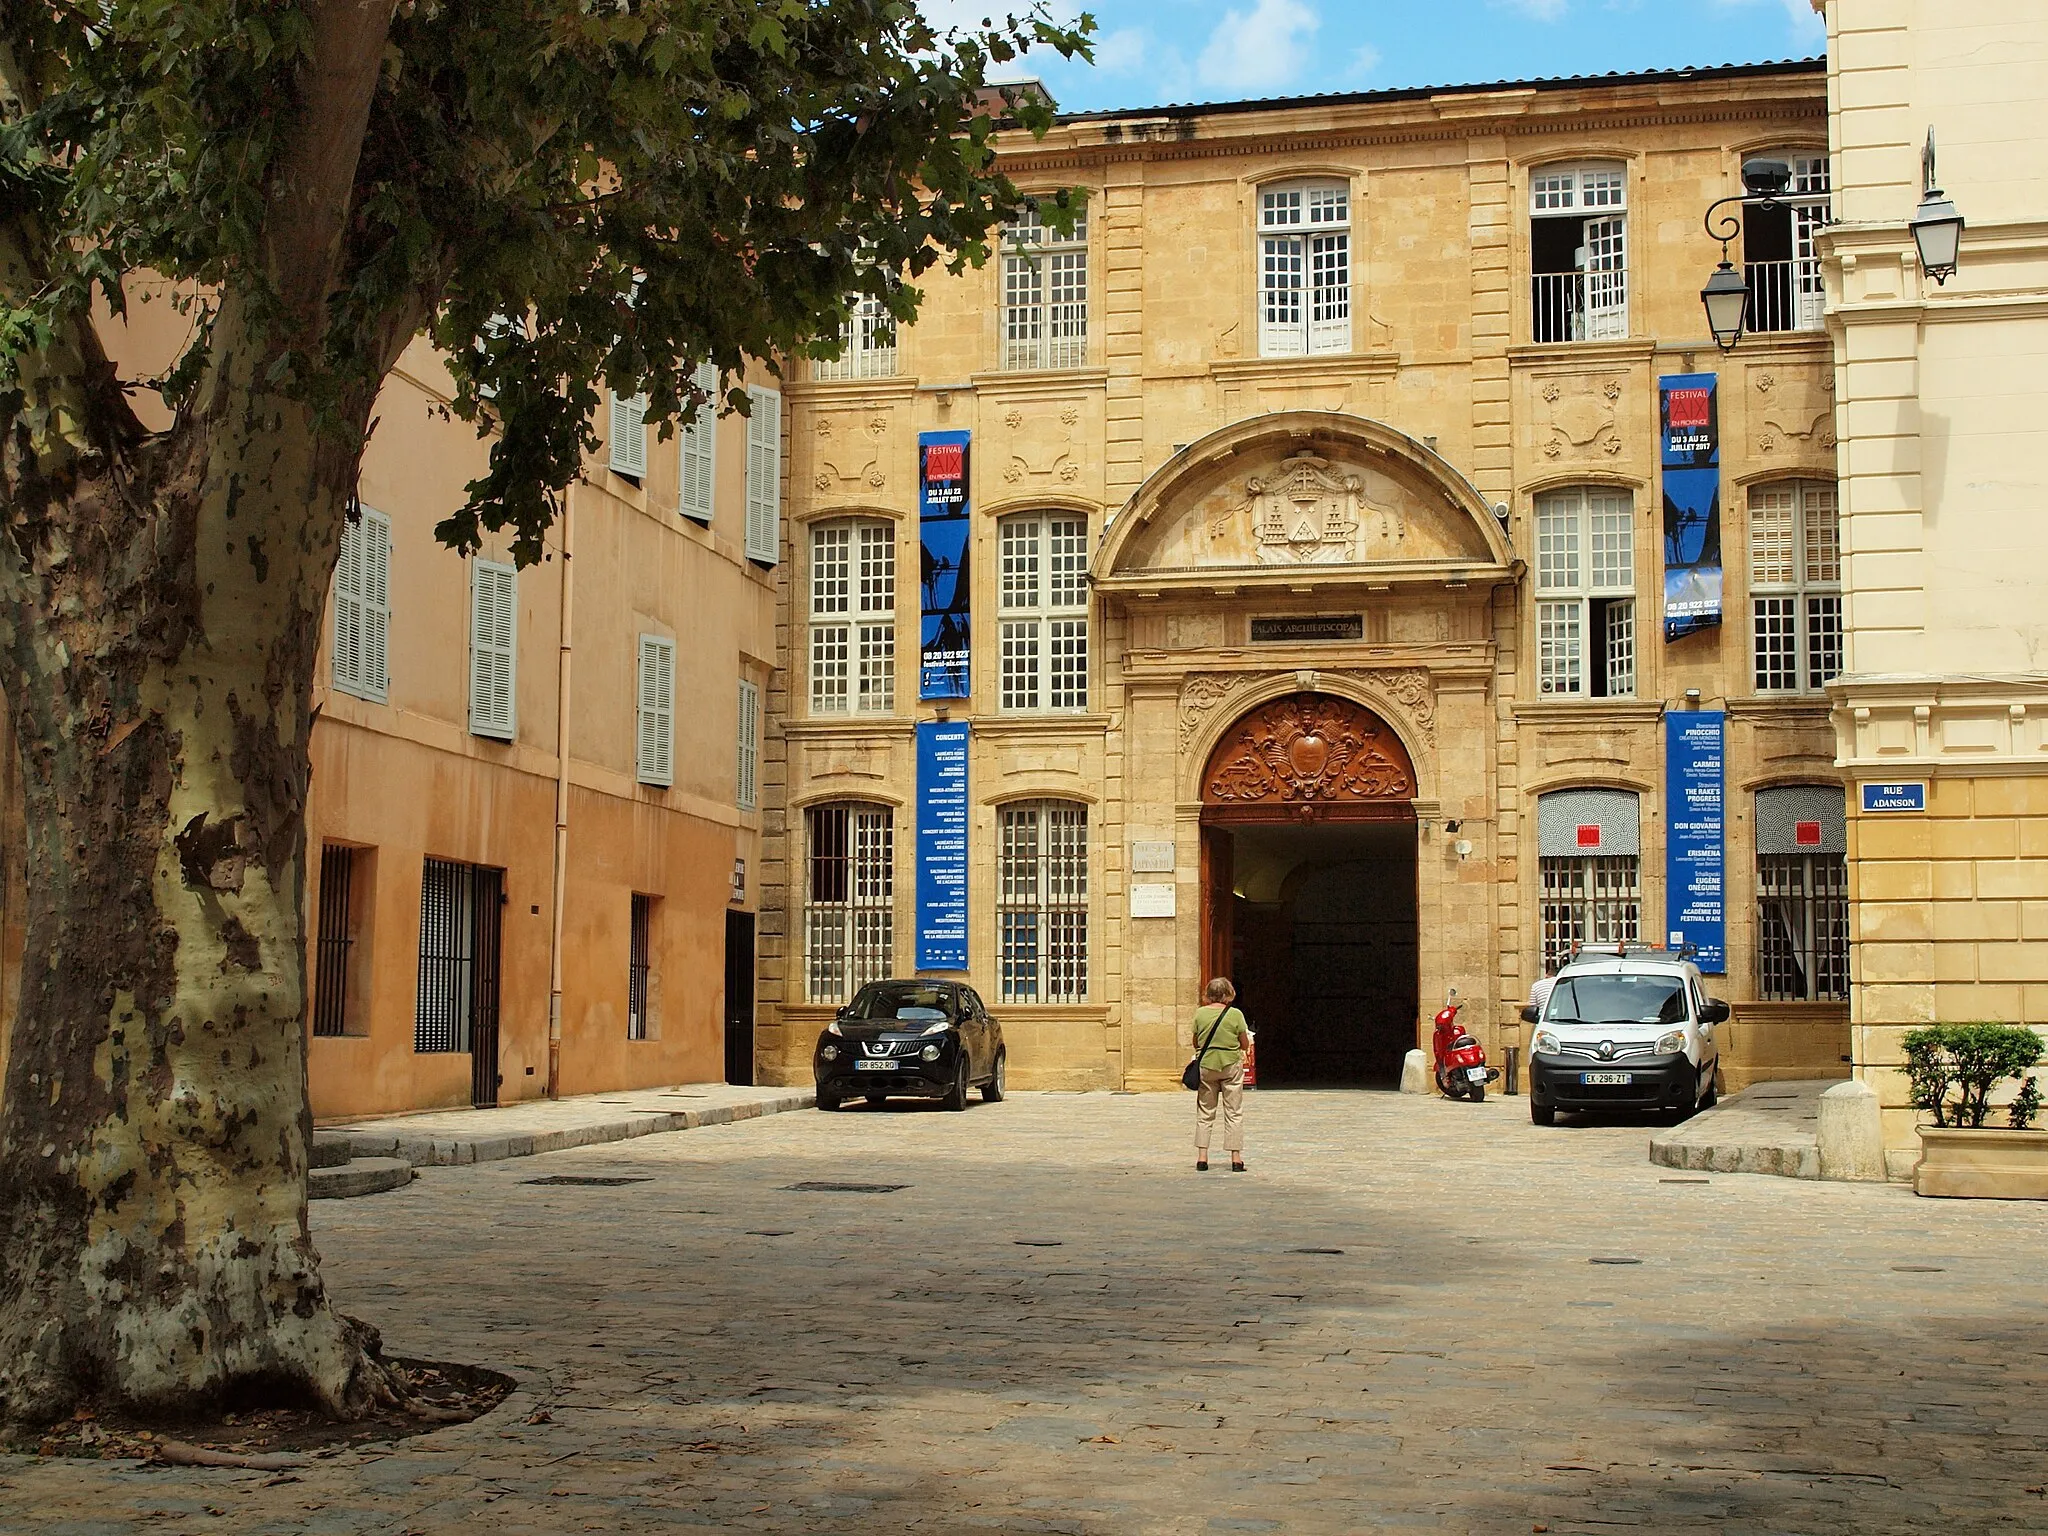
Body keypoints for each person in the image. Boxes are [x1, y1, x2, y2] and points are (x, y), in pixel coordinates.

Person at [1189, 977, 1251, 1172]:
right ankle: (1236, 1158)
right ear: (1228, 993)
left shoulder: (1200, 1014)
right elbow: (1244, 1043)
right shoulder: (1235, 1015)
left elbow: (1196, 1041)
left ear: (1208, 994)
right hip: (1230, 1065)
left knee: (1205, 1113)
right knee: (1233, 1112)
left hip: (1207, 1066)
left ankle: (1202, 1157)